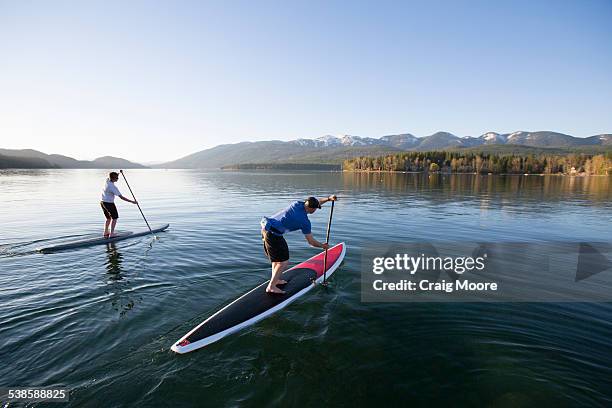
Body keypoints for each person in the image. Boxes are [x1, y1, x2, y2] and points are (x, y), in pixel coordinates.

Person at [260, 195, 337, 294]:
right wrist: (323, 246)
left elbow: (315, 202)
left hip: (265, 228)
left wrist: (328, 199)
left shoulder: (297, 204)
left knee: (277, 260)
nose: (315, 210)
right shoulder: (304, 222)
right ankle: (271, 287)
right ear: (311, 208)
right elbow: (311, 242)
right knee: (283, 262)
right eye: (315, 209)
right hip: (273, 235)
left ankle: (275, 280)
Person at [100, 172, 138, 238]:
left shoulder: (107, 181)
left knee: (108, 218)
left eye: (118, 177)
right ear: (112, 178)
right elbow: (121, 197)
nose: (118, 179)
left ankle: (106, 232)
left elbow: (111, 176)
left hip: (102, 202)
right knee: (115, 218)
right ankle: (112, 234)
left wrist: (119, 173)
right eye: (116, 178)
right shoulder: (113, 187)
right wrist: (132, 201)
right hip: (109, 204)